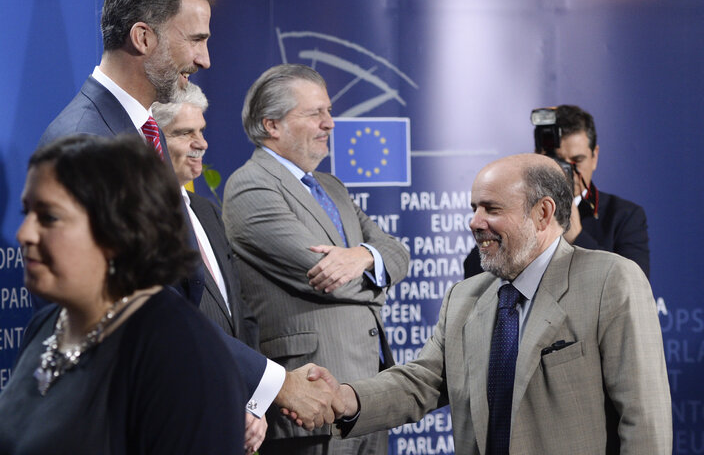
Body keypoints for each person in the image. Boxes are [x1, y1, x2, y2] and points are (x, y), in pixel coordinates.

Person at [36, 0, 338, 434]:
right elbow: (129, 308)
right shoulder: (90, 142)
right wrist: (271, 381)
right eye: (196, 39)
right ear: (143, 37)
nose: (205, 59)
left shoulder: (134, 132)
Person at [318, 153, 671, 455]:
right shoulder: (464, 297)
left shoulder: (611, 280)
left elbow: (644, 419)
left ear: (543, 213)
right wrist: (345, 399)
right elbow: (420, 381)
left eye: (492, 208)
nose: (474, 222)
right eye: (474, 208)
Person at [0, 135, 246, 454]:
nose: (24, 234)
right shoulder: (45, 325)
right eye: (26, 213)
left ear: (118, 229)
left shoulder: (181, 352)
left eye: (49, 217)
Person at [223, 64, 410, 455]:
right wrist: (379, 271)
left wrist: (363, 256)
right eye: (315, 114)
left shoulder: (332, 187)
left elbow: (398, 252)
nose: (330, 124)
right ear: (271, 124)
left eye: (329, 111)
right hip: (309, 401)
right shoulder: (250, 186)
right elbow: (324, 277)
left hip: (366, 397)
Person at [153, 83, 265, 454]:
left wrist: (253, 403)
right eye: (185, 133)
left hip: (237, 416)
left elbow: (242, 316)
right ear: (152, 139)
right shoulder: (143, 220)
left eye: (201, 131)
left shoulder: (206, 212)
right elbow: (173, 327)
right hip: (183, 418)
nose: (201, 143)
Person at [464, 104, 650, 279]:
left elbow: (633, 286)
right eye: (556, 160)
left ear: (594, 156)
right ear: (537, 158)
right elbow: (475, 275)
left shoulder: (623, 216)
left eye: (577, 160)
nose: (565, 171)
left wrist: (576, 236)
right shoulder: (519, 212)